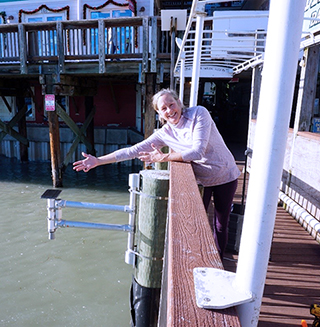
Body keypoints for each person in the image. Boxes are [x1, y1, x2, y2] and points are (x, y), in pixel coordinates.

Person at [73, 88, 240, 258]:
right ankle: (198, 259)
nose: (170, 111)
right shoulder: (164, 133)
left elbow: (198, 152)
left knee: (220, 224)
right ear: (159, 113)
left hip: (224, 174)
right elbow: (133, 151)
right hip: (199, 180)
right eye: (164, 108)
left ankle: (218, 259)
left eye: (171, 104)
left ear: (179, 103)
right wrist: (99, 161)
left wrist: (163, 157)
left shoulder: (199, 113)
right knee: (194, 223)